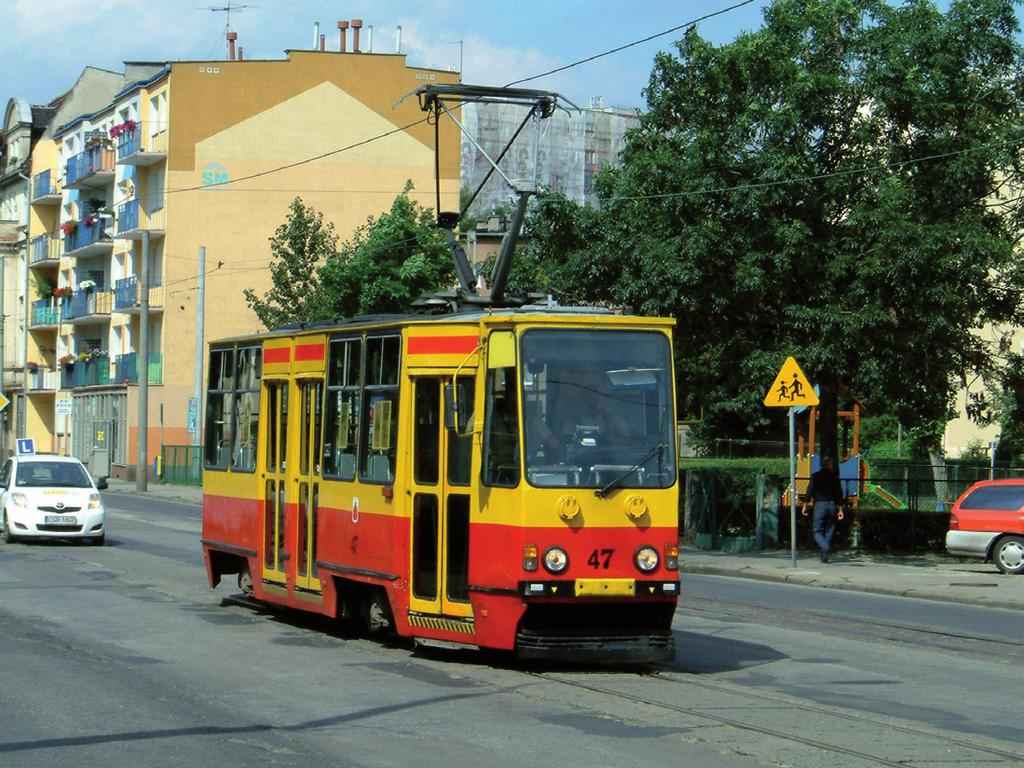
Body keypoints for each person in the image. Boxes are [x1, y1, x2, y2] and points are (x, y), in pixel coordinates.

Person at [800, 455, 846, 562]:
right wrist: (840, 509)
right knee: (830, 529)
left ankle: (825, 547)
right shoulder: (835, 477)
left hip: (820, 505)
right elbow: (839, 494)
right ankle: (824, 554)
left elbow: (809, 491)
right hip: (832, 505)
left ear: (821, 465)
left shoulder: (815, 476)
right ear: (830, 465)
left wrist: (805, 505)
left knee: (817, 530)